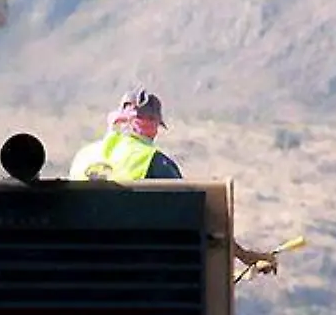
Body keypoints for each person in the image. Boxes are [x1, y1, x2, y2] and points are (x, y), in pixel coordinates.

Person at [68, 87, 283, 275]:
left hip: (75, 267)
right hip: (129, 271)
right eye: (154, 123)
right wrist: (244, 256)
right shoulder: (153, 162)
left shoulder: (82, 156)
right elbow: (200, 217)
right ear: (151, 124)